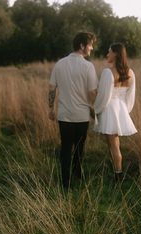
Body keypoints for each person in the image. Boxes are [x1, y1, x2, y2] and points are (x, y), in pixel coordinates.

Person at [48, 32, 98, 189]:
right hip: (82, 116)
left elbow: (51, 89)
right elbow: (92, 93)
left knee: (65, 148)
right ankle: (77, 174)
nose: (92, 47)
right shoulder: (88, 66)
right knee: (79, 148)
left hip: (64, 115)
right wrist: (94, 108)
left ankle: (65, 182)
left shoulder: (60, 64)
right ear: (82, 46)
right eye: (90, 44)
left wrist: (51, 109)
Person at [94, 42, 137, 181]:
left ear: (116, 54)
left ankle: (118, 175)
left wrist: (96, 110)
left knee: (113, 145)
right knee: (114, 144)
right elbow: (130, 96)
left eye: (109, 52)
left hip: (110, 109)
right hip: (121, 109)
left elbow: (103, 96)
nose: (107, 54)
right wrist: (125, 112)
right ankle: (116, 171)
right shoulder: (130, 72)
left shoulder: (108, 72)